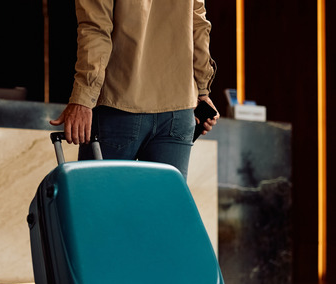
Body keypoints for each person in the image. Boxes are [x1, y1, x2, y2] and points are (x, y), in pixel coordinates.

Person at [50, 0, 219, 180]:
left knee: (100, 196)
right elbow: (199, 27)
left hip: (119, 105)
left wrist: (83, 98)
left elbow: (95, 30)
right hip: (178, 111)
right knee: (164, 198)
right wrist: (202, 90)